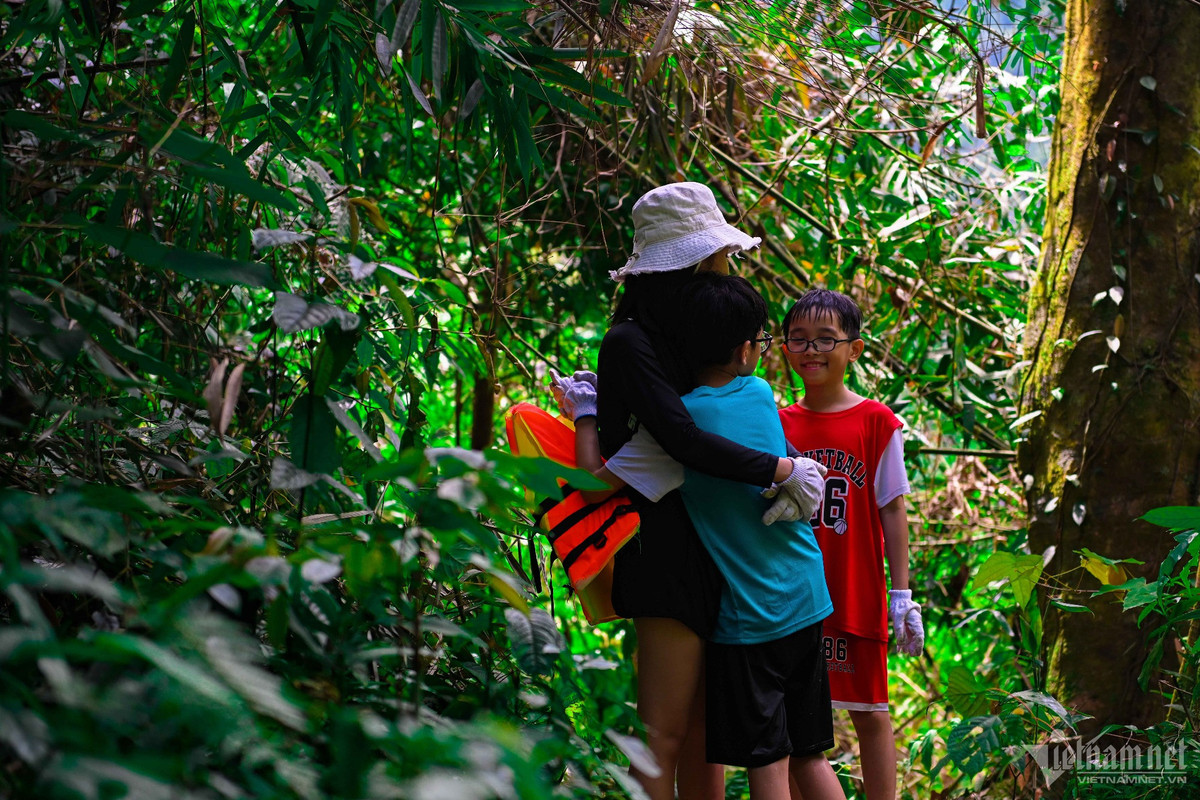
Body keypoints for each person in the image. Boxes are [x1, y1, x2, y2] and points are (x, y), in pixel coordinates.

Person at [552, 182, 826, 800]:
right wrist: (780, 471)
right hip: (666, 550)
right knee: (664, 731)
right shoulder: (631, 342)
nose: (728, 264)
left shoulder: (692, 336)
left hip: (716, 545)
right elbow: (678, 437)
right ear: (695, 261)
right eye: (720, 254)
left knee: (709, 731)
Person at [776, 288, 925, 800]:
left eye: (825, 339)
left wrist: (901, 596)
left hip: (856, 592)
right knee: (799, 727)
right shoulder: (776, 423)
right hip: (794, 598)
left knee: (870, 714)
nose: (811, 350)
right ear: (783, 347)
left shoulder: (877, 422)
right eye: (799, 339)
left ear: (854, 349)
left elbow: (893, 509)